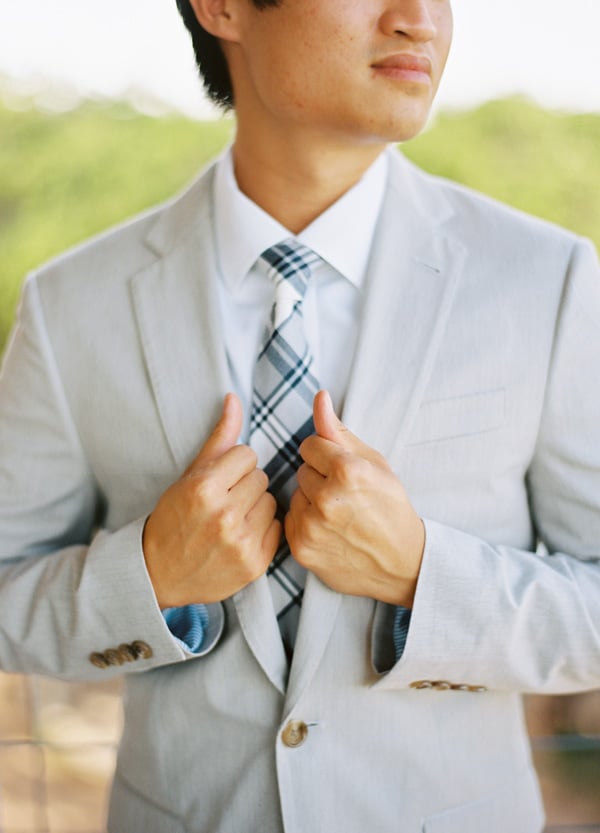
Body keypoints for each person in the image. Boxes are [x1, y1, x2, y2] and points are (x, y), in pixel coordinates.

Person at [0, 0, 599, 830]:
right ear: (224, 8)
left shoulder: (549, 280)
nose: (420, 19)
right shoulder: (70, 305)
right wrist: (148, 577)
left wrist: (422, 572)